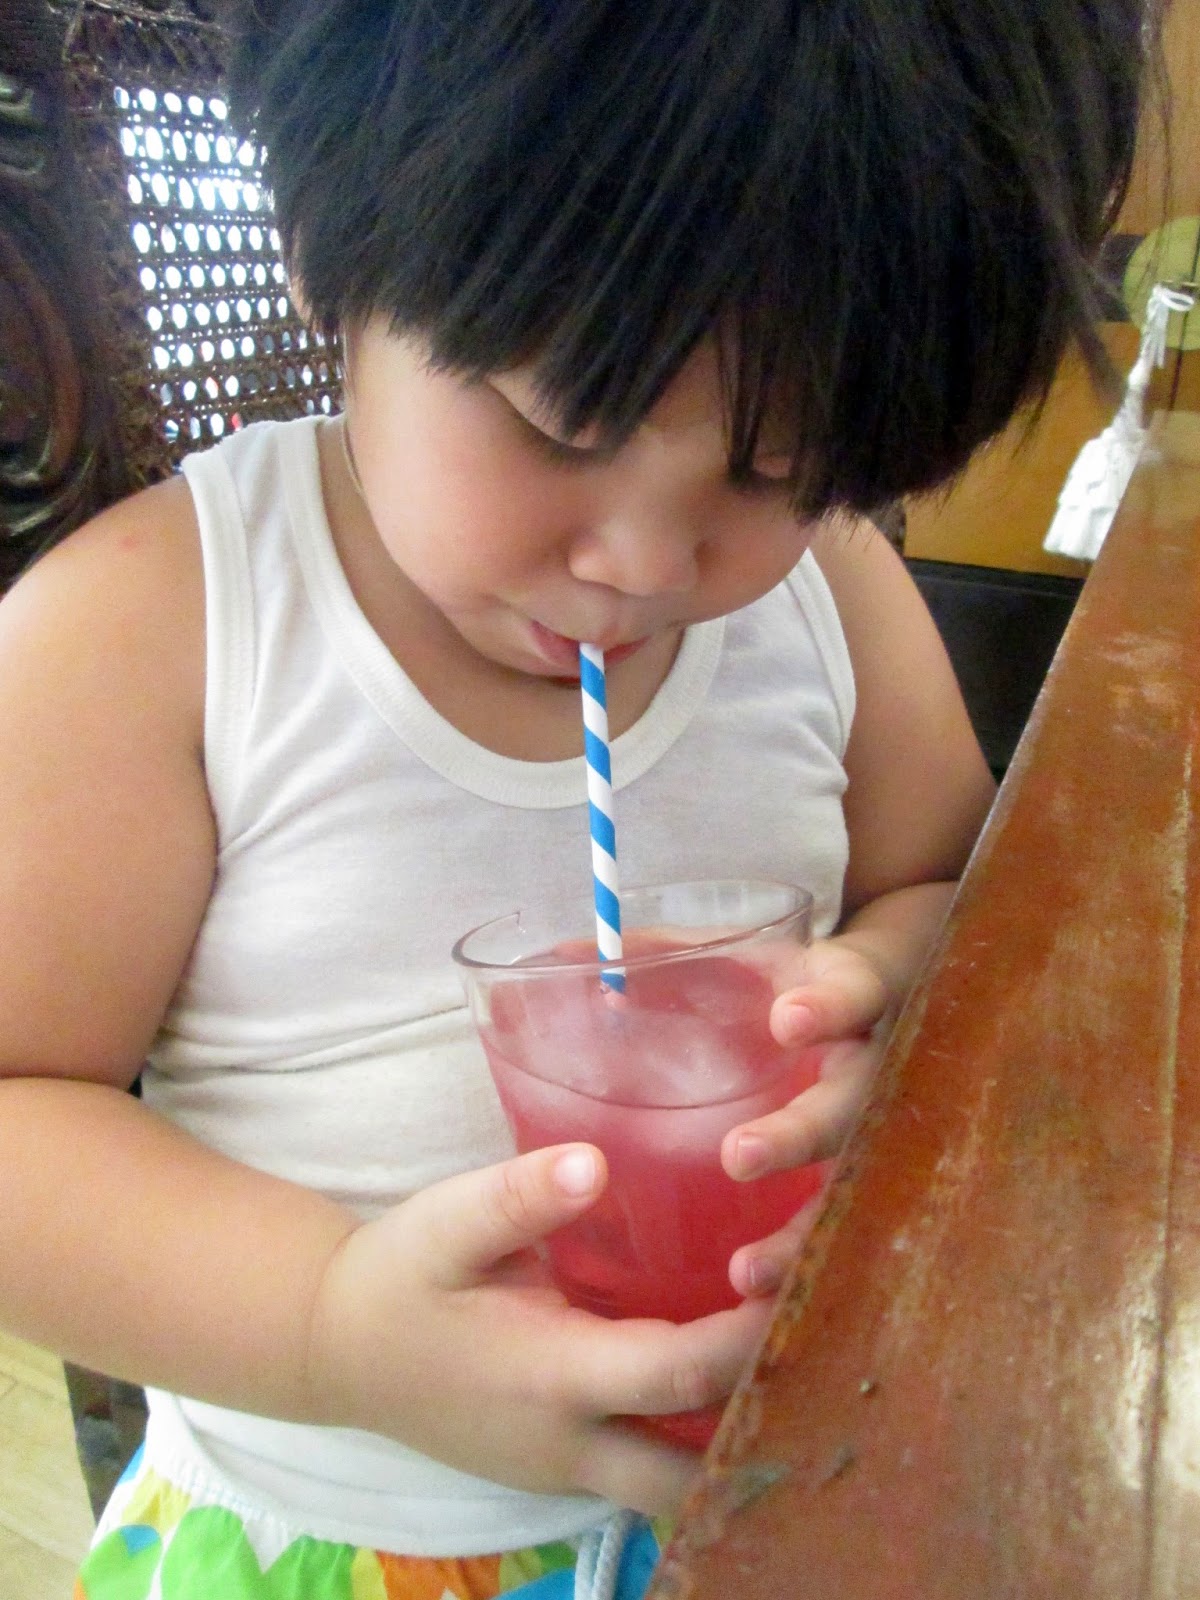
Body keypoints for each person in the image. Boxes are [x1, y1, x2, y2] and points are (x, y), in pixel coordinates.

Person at [0, 2, 1146, 1596]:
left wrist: (882, 985)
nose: (646, 563)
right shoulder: (155, 633)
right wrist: (335, 1328)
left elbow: (952, 889)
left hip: (794, 1472)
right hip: (344, 1538)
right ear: (334, 261)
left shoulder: (832, 593)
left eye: (774, 470)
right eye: (565, 426)